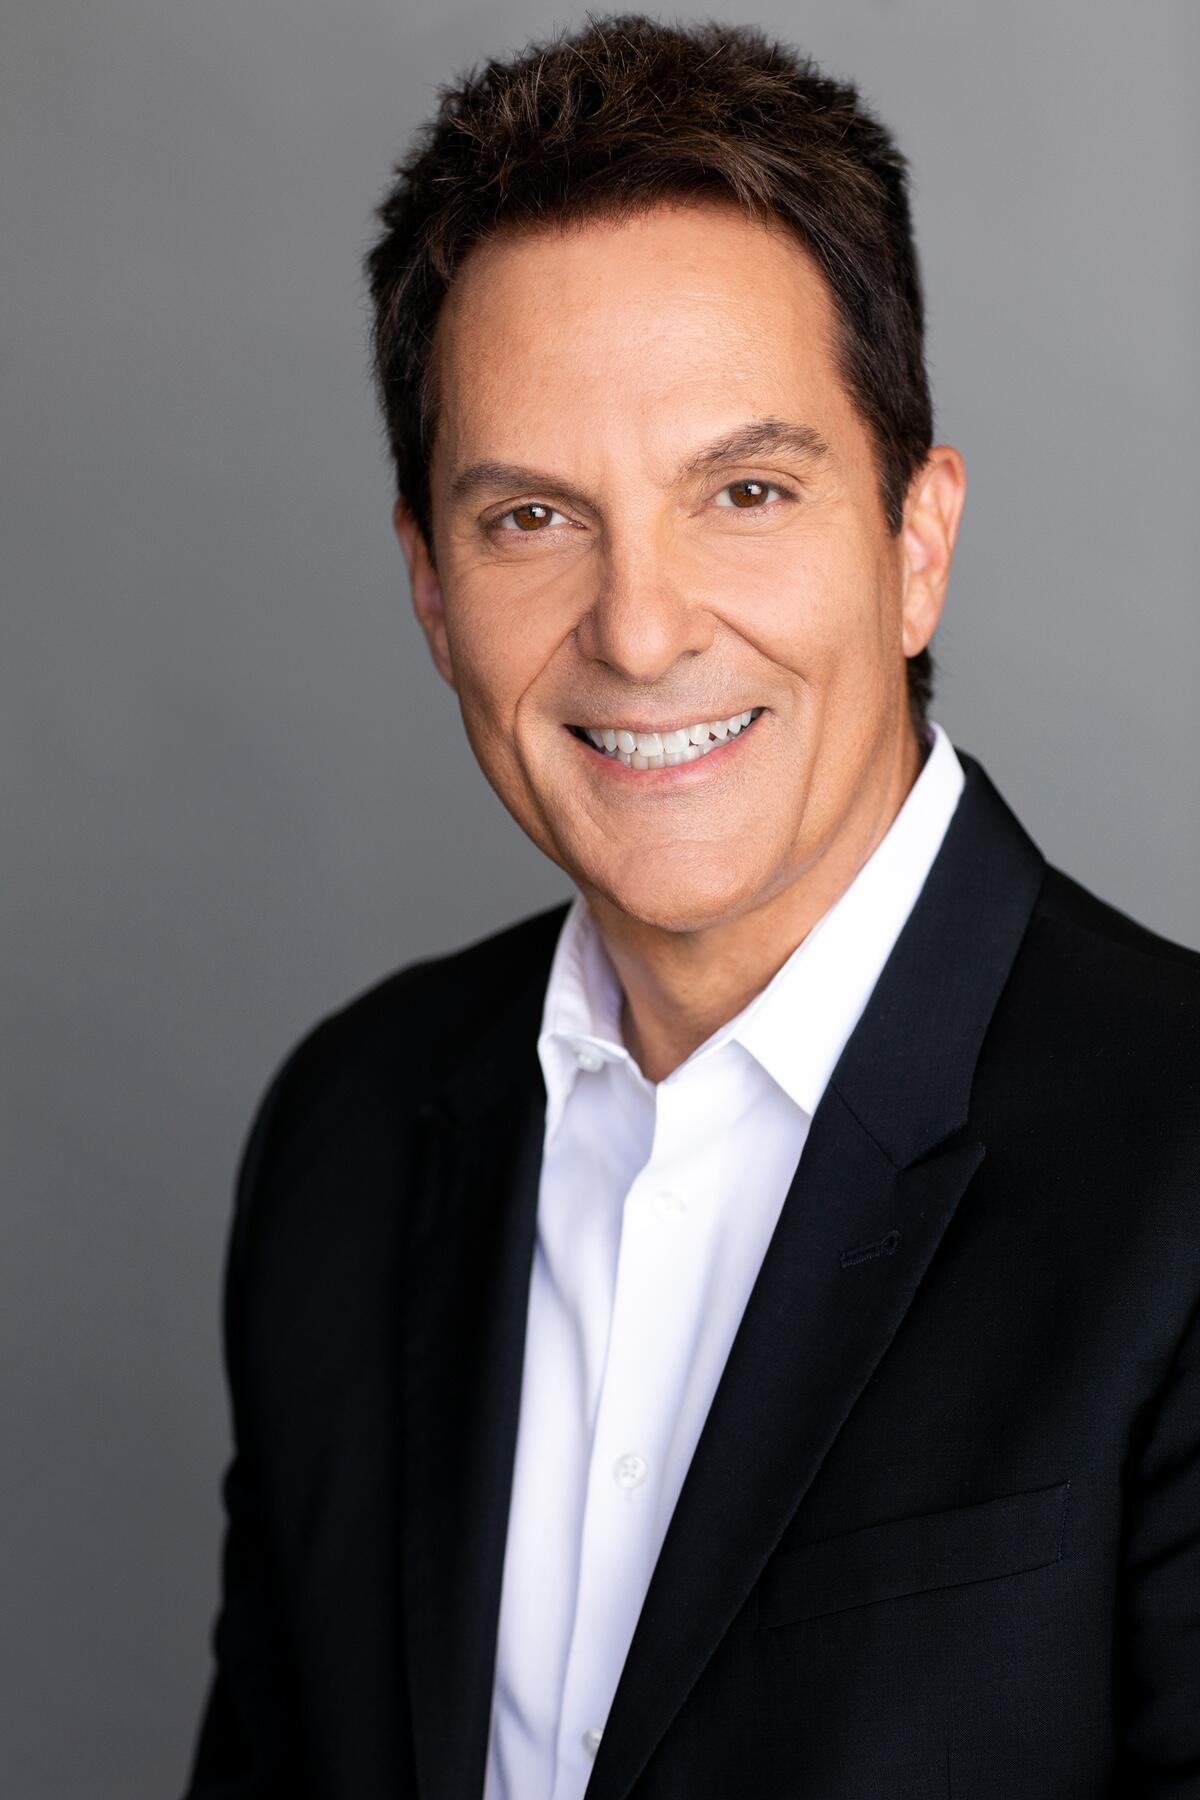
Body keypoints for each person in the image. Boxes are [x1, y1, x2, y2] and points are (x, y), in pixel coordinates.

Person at [182, 15, 1200, 1798]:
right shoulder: (344, 1138)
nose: (641, 630)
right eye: (531, 518)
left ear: (915, 542)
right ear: (430, 589)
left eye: (744, 491)